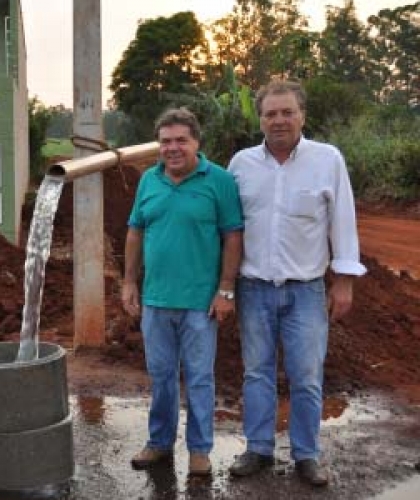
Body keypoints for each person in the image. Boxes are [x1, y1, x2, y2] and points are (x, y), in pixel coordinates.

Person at [227, 80, 366, 487]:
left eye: (287, 112)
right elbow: (230, 228)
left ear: (302, 115)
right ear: (260, 119)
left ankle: (307, 454)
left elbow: (343, 221)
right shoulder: (241, 164)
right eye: (271, 113)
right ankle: (258, 448)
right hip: (253, 288)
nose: (279, 120)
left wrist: (344, 282)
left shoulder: (327, 160)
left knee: (306, 375)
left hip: (306, 289)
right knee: (257, 373)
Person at [123, 108, 243, 477]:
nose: (172, 148)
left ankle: (199, 450)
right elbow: (135, 232)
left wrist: (226, 290)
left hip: (199, 304)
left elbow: (233, 236)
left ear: (196, 142)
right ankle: (159, 444)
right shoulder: (148, 181)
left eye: (180, 141)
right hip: (156, 301)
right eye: (165, 141)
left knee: (199, 378)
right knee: (160, 377)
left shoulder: (219, 181)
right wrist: (129, 281)